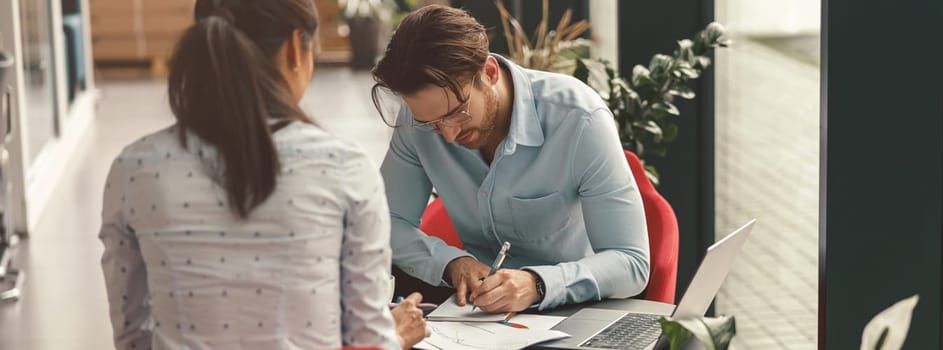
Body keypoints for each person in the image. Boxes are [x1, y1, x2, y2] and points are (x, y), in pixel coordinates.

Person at [99, 0, 427, 348]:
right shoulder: (344, 167)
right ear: (294, 49)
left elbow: (132, 337)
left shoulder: (135, 169)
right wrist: (393, 336)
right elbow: (367, 338)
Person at [372, 5, 651, 313]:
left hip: (572, 308)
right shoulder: (416, 123)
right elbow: (384, 224)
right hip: (478, 315)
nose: (448, 136)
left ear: (489, 72)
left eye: (457, 114)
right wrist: (452, 262)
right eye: (433, 124)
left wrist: (538, 284)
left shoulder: (579, 119)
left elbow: (631, 262)